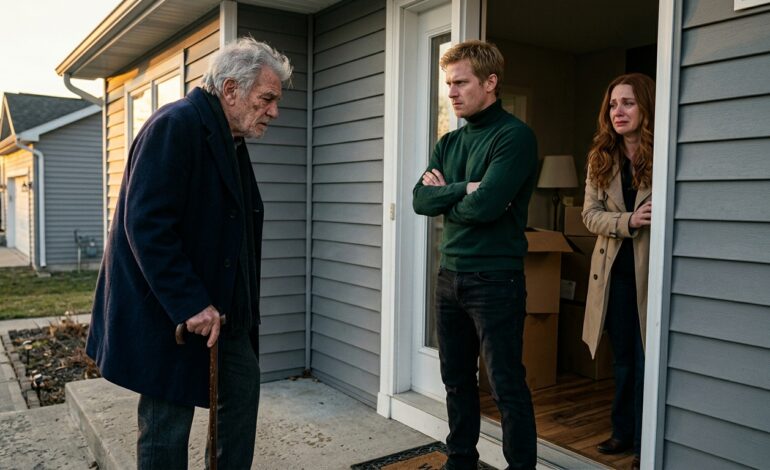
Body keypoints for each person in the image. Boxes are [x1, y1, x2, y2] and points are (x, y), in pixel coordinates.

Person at [85, 37, 292, 469]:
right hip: (172, 313)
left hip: (225, 313)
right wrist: (190, 302)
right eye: (267, 98)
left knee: (241, 395)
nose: (274, 111)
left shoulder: (230, 137)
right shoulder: (175, 125)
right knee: (167, 424)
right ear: (231, 89)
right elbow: (147, 225)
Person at [413, 40, 538, 470]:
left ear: (490, 82)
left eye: (460, 83)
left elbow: (485, 208)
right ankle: (461, 460)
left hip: (496, 280)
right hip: (449, 276)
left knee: (506, 385)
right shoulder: (448, 143)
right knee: (456, 380)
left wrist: (448, 197)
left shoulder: (514, 137)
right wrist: (465, 188)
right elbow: (419, 200)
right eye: (448, 84)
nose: (451, 93)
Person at [582, 73, 655, 470]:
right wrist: (629, 221)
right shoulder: (601, 157)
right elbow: (589, 216)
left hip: (651, 274)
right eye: (613, 104)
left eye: (627, 103)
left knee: (646, 360)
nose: (618, 111)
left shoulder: (663, 154)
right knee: (624, 359)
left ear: (646, 106)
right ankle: (622, 431)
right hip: (615, 275)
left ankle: (646, 443)